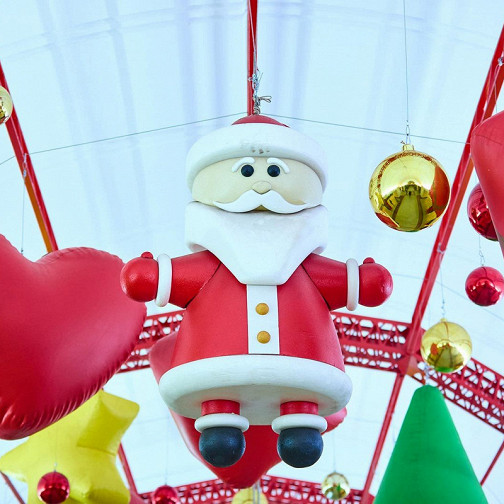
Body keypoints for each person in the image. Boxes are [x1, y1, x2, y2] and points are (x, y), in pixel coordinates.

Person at [121, 114, 393, 469]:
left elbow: (346, 282)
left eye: (276, 171)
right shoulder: (211, 263)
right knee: (222, 430)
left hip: (282, 362)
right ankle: (222, 416)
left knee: (296, 427)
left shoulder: (304, 265)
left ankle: (296, 418)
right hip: (263, 361)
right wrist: (152, 276)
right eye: (246, 171)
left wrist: (363, 281)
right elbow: (169, 278)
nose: (262, 183)